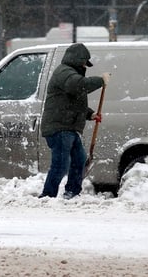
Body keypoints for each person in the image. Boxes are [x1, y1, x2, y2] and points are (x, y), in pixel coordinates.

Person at [39, 43, 110, 199]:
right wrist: (100, 81)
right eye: (84, 62)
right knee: (61, 165)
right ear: (77, 60)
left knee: (79, 160)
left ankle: (72, 192)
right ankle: (47, 196)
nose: (85, 66)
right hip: (59, 128)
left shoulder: (71, 75)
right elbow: (78, 86)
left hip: (68, 127)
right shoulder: (64, 72)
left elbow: (73, 102)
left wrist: (90, 114)